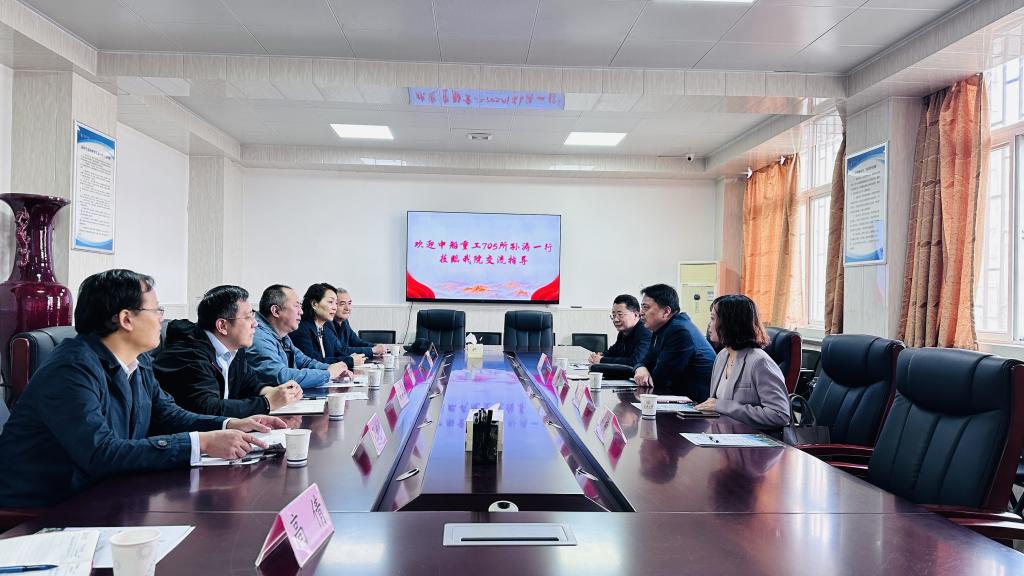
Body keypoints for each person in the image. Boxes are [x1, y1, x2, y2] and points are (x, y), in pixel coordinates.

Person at [0, 269, 285, 507]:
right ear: (126, 319)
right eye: (156, 310)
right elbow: (100, 454)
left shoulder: (139, 361)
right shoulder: (72, 369)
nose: (161, 318)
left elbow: (169, 415)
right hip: (47, 507)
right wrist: (201, 443)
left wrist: (230, 424)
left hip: (106, 493)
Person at [154, 285, 303, 418]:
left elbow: (250, 384)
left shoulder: (234, 349)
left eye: (253, 315)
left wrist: (277, 392)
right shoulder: (189, 353)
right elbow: (207, 408)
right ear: (222, 326)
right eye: (248, 317)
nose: (255, 324)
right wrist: (267, 403)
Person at [695, 295, 790, 431]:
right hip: (724, 435)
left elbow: (780, 415)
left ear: (730, 323)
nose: (709, 324)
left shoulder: (759, 362)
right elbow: (714, 404)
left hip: (753, 440)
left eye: (713, 318)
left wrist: (723, 406)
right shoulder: (722, 355)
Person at [248, 284, 350, 389]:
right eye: (296, 306)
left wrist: (332, 369)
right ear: (276, 311)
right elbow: (281, 376)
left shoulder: (281, 334)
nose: (301, 312)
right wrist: (328, 374)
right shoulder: (257, 336)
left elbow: (304, 362)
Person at [633, 284, 716, 401]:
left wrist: (642, 368)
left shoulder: (679, 331)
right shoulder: (661, 329)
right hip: (676, 396)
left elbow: (660, 378)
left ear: (666, 311)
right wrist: (640, 368)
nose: (641, 313)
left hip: (696, 404)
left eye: (646, 307)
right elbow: (644, 361)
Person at [290, 283, 360, 369]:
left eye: (336, 303)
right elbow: (312, 362)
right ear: (314, 304)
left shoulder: (326, 326)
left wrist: (354, 357)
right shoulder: (301, 328)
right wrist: (349, 361)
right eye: (330, 302)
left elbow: (337, 352)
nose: (334, 307)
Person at [589, 294, 652, 366]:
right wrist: (599, 355)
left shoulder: (645, 332)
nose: (615, 320)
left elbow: (635, 362)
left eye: (620, 314)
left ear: (636, 315)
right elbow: (614, 351)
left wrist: (602, 360)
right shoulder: (623, 332)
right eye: (613, 315)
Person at [328, 287, 388, 357]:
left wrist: (377, 347)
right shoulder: (327, 324)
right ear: (333, 305)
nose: (347, 308)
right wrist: (373, 350)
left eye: (349, 303)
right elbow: (340, 351)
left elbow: (357, 342)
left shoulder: (344, 321)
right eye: (342, 304)